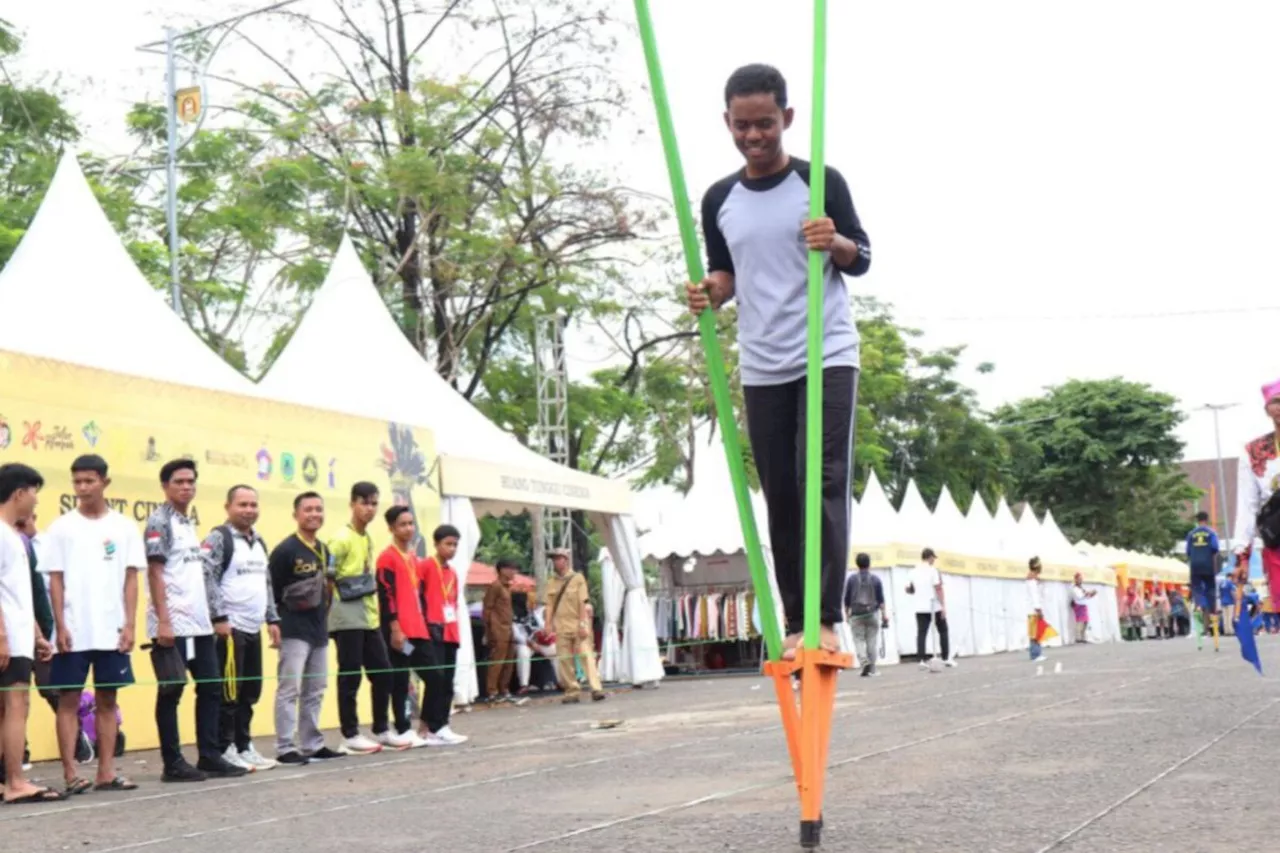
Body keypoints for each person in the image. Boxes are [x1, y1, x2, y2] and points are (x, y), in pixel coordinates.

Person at [686, 63, 871, 660]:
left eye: (765, 123)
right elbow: (726, 274)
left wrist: (833, 241)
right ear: (727, 123)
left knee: (820, 477)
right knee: (780, 493)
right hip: (763, 364)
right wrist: (711, 291)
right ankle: (795, 621)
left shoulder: (821, 182)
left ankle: (824, 616)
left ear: (786, 119)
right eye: (742, 126)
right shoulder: (720, 198)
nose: (753, 136)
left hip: (827, 353)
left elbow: (861, 256)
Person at [43, 455, 144, 793]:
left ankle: (106, 771)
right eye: (77, 482)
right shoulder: (61, 528)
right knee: (68, 701)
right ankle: (71, 773)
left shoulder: (125, 527)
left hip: (111, 630)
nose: (83, 488)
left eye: (89, 481)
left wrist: (129, 624)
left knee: (107, 701)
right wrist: (61, 625)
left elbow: (131, 580)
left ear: (105, 482)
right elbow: (54, 581)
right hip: (73, 629)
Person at [145, 459, 244, 782]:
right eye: (179, 481)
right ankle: (172, 763)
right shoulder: (159, 521)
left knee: (212, 688)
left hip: (200, 623)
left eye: (190, 481)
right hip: (171, 624)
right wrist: (163, 621)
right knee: (172, 689)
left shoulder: (188, 523)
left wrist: (215, 617)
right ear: (165, 486)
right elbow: (156, 573)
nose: (186, 486)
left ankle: (209, 755)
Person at [202, 485, 280, 772]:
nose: (248, 510)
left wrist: (272, 619)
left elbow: (266, 583)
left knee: (250, 691)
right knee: (229, 693)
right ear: (228, 507)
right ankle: (226, 747)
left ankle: (244, 745)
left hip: (253, 628)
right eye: (242, 504)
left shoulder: (259, 542)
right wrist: (218, 617)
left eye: (253, 505)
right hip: (229, 630)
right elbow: (206, 575)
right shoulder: (219, 538)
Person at [0, 463, 61, 804]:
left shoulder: (15, 536)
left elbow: (17, 593)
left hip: (20, 637)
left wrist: (37, 634)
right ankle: (16, 781)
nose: (36, 500)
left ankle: (7, 779)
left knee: (8, 707)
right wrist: (3, 637)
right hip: (7, 638)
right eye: (35, 492)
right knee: (15, 704)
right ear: (20, 492)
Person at [327, 482, 403, 754]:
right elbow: (327, 577)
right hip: (346, 616)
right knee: (350, 675)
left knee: (383, 673)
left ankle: (381, 729)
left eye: (374, 503)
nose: (369, 509)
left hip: (368, 616)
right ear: (352, 504)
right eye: (364, 502)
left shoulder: (367, 538)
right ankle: (349, 734)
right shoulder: (341, 538)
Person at [270, 492, 342, 765]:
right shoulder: (285, 550)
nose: (314, 514)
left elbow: (330, 588)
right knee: (290, 688)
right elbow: (272, 590)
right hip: (293, 629)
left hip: (318, 629)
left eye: (319, 509)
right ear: (296, 514)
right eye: (308, 509)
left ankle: (312, 743)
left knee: (316, 688)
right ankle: (285, 746)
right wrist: (275, 623)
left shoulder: (325, 550)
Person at [374, 506, 431, 748]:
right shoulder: (387, 557)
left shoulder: (413, 558)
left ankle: (429, 727)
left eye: (410, 523)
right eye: (402, 524)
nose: (408, 528)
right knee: (399, 677)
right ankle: (402, 727)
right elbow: (386, 596)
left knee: (435, 675)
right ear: (391, 528)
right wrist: (395, 628)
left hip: (417, 630)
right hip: (398, 631)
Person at [1233, 379, 1280, 618]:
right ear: (1267, 410)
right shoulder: (1254, 452)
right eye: (1276, 401)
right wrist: (1242, 556)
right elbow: (1247, 506)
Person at [419, 524, 468, 745]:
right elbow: (419, 598)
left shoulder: (452, 572)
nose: (452, 549)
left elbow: (454, 602)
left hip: (450, 631)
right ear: (436, 544)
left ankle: (442, 724)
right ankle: (430, 726)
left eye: (455, 545)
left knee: (447, 681)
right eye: (448, 544)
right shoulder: (426, 566)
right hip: (432, 629)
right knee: (435, 679)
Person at [545, 547, 605, 703]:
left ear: (566, 560)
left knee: (586, 655)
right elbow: (550, 605)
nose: (556, 561)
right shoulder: (551, 582)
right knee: (564, 659)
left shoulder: (577, 578)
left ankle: (596, 688)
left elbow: (582, 603)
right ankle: (572, 690)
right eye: (554, 559)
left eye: (559, 558)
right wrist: (548, 624)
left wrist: (584, 624)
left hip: (577, 622)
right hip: (561, 625)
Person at [483, 559, 522, 703]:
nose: (514, 572)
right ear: (502, 570)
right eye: (511, 569)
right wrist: (488, 630)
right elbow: (487, 609)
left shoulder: (507, 587)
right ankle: (492, 691)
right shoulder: (495, 586)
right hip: (498, 629)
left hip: (508, 628)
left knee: (509, 661)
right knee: (497, 661)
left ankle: (504, 689)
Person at [908, 548, 954, 669]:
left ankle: (921, 660)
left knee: (921, 633)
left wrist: (916, 591)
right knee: (943, 630)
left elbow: (909, 589)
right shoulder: (933, 571)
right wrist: (943, 605)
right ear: (929, 557)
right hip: (934, 606)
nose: (934, 560)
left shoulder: (913, 572)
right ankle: (945, 658)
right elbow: (938, 588)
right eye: (933, 558)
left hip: (920, 607)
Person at [843, 553, 887, 677]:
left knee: (858, 640)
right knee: (872, 641)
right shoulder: (876, 579)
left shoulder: (851, 579)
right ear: (869, 563)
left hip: (856, 615)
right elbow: (881, 600)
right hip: (872, 613)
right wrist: (884, 615)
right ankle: (872, 669)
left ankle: (863, 662)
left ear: (857, 564)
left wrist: (846, 613)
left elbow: (846, 599)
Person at [1185, 511, 1220, 636]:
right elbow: (1215, 548)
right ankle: (1212, 611)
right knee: (1210, 588)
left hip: (1195, 565)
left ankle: (1199, 605)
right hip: (1208, 564)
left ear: (1197, 520)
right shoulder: (1211, 533)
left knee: (1197, 588)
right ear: (1207, 520)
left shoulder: (1191, 534)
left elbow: (1188, 551)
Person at [1026, 557, 1049, 663]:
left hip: (1033, 608)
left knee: (1036, 632)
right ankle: (1035, 654)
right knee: (1035, 633)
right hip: (1034, 609)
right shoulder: (1031, 580)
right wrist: (1038, 609)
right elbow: (1034, 595)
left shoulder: (1033, 579)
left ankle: (1036, 653)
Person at [1069, 573, 1097, 644]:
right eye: (1079, 579)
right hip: (1079, 605)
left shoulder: (1082, 588)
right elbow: (1079, 596)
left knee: (1085, 622)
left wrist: (1092, 594)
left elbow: (1086, 596)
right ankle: (1078, 638)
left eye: (1081, 579)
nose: (1080, 580)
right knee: (1080, 622)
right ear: (1075, 579)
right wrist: (1088, 593)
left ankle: (1083, 636)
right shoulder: (1074, 588)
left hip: (1083, 605)